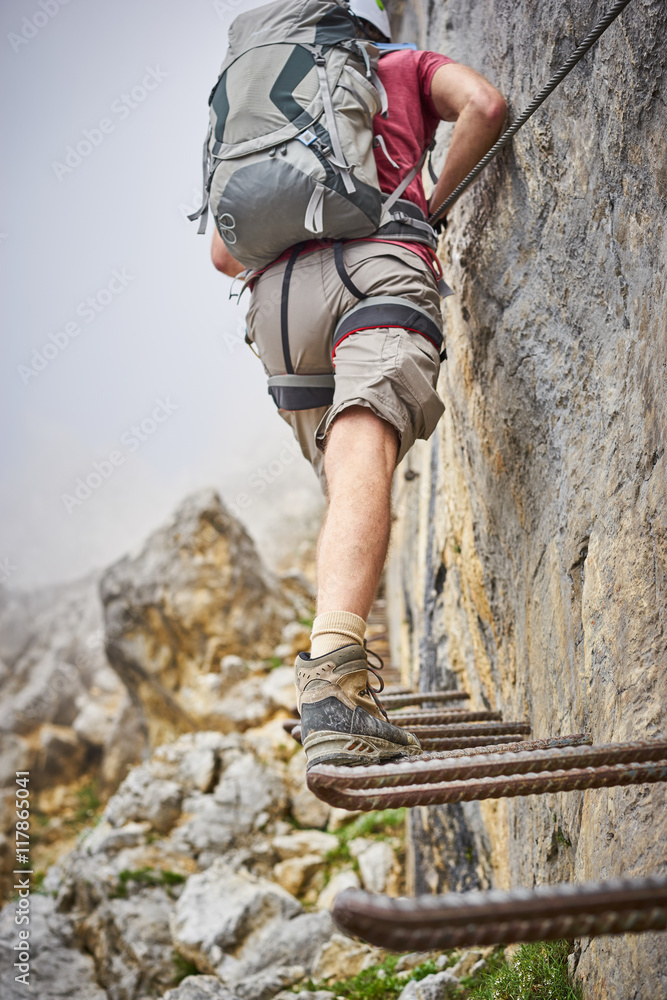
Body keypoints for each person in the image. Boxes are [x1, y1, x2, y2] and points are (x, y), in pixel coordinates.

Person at [211, 0, 506, 770]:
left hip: (276, 307)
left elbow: (220, 252)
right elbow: (485, 106)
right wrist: (427, 209)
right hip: (377, 266)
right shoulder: (399, 66)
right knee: (362, 466)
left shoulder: (246, 109)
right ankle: (336, 688)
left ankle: (336, 672)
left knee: (346, 483)